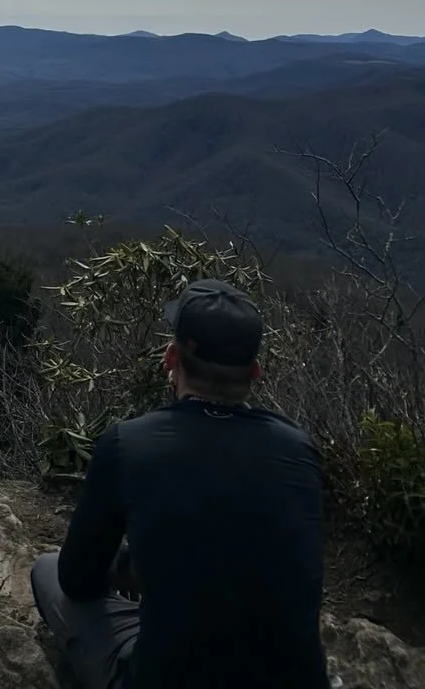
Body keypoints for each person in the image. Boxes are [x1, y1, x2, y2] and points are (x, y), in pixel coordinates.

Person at [30, 279, 330, 689]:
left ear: (171, 358)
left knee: (46, 570)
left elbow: (77, 577)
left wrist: (130, 565)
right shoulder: (299, 450)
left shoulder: (129, 443)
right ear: (255, 371)